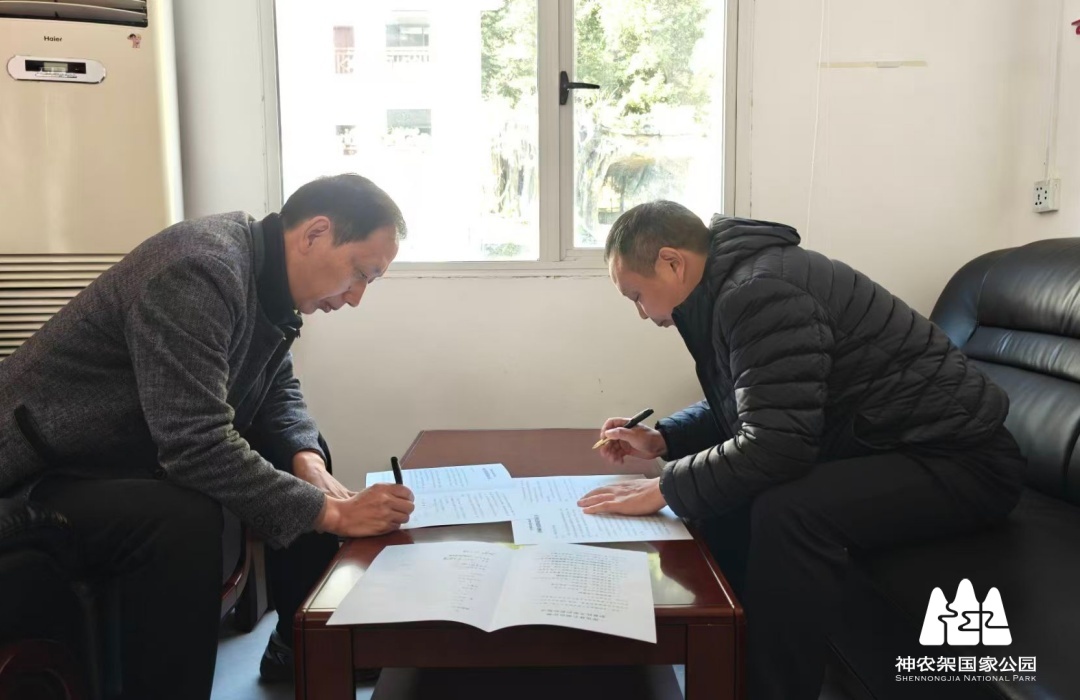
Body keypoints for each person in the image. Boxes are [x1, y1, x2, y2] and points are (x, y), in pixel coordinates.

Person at [579, 202, 1025, 700]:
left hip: (965, 460)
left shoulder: (760, 291)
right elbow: (759, 398)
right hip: (895, 445)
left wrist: (665, 487)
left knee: (788, 511)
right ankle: (721, 664)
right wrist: (665, 439)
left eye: (637, 296)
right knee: (726, 495)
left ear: (671, 262)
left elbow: (777, 444)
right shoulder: (738, 284)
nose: (642, 313)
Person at [0, 174, 416, 699]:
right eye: (359, 273)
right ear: (315, 234)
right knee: (181, 517)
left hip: (115, 455)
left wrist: (307, 460)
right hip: (44, 468)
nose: (355, 297)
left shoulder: (264, 276)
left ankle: (300, 645)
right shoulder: (199, 269)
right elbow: (193, 443)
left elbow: (276, 387)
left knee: (298, 452)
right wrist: (331, 513)